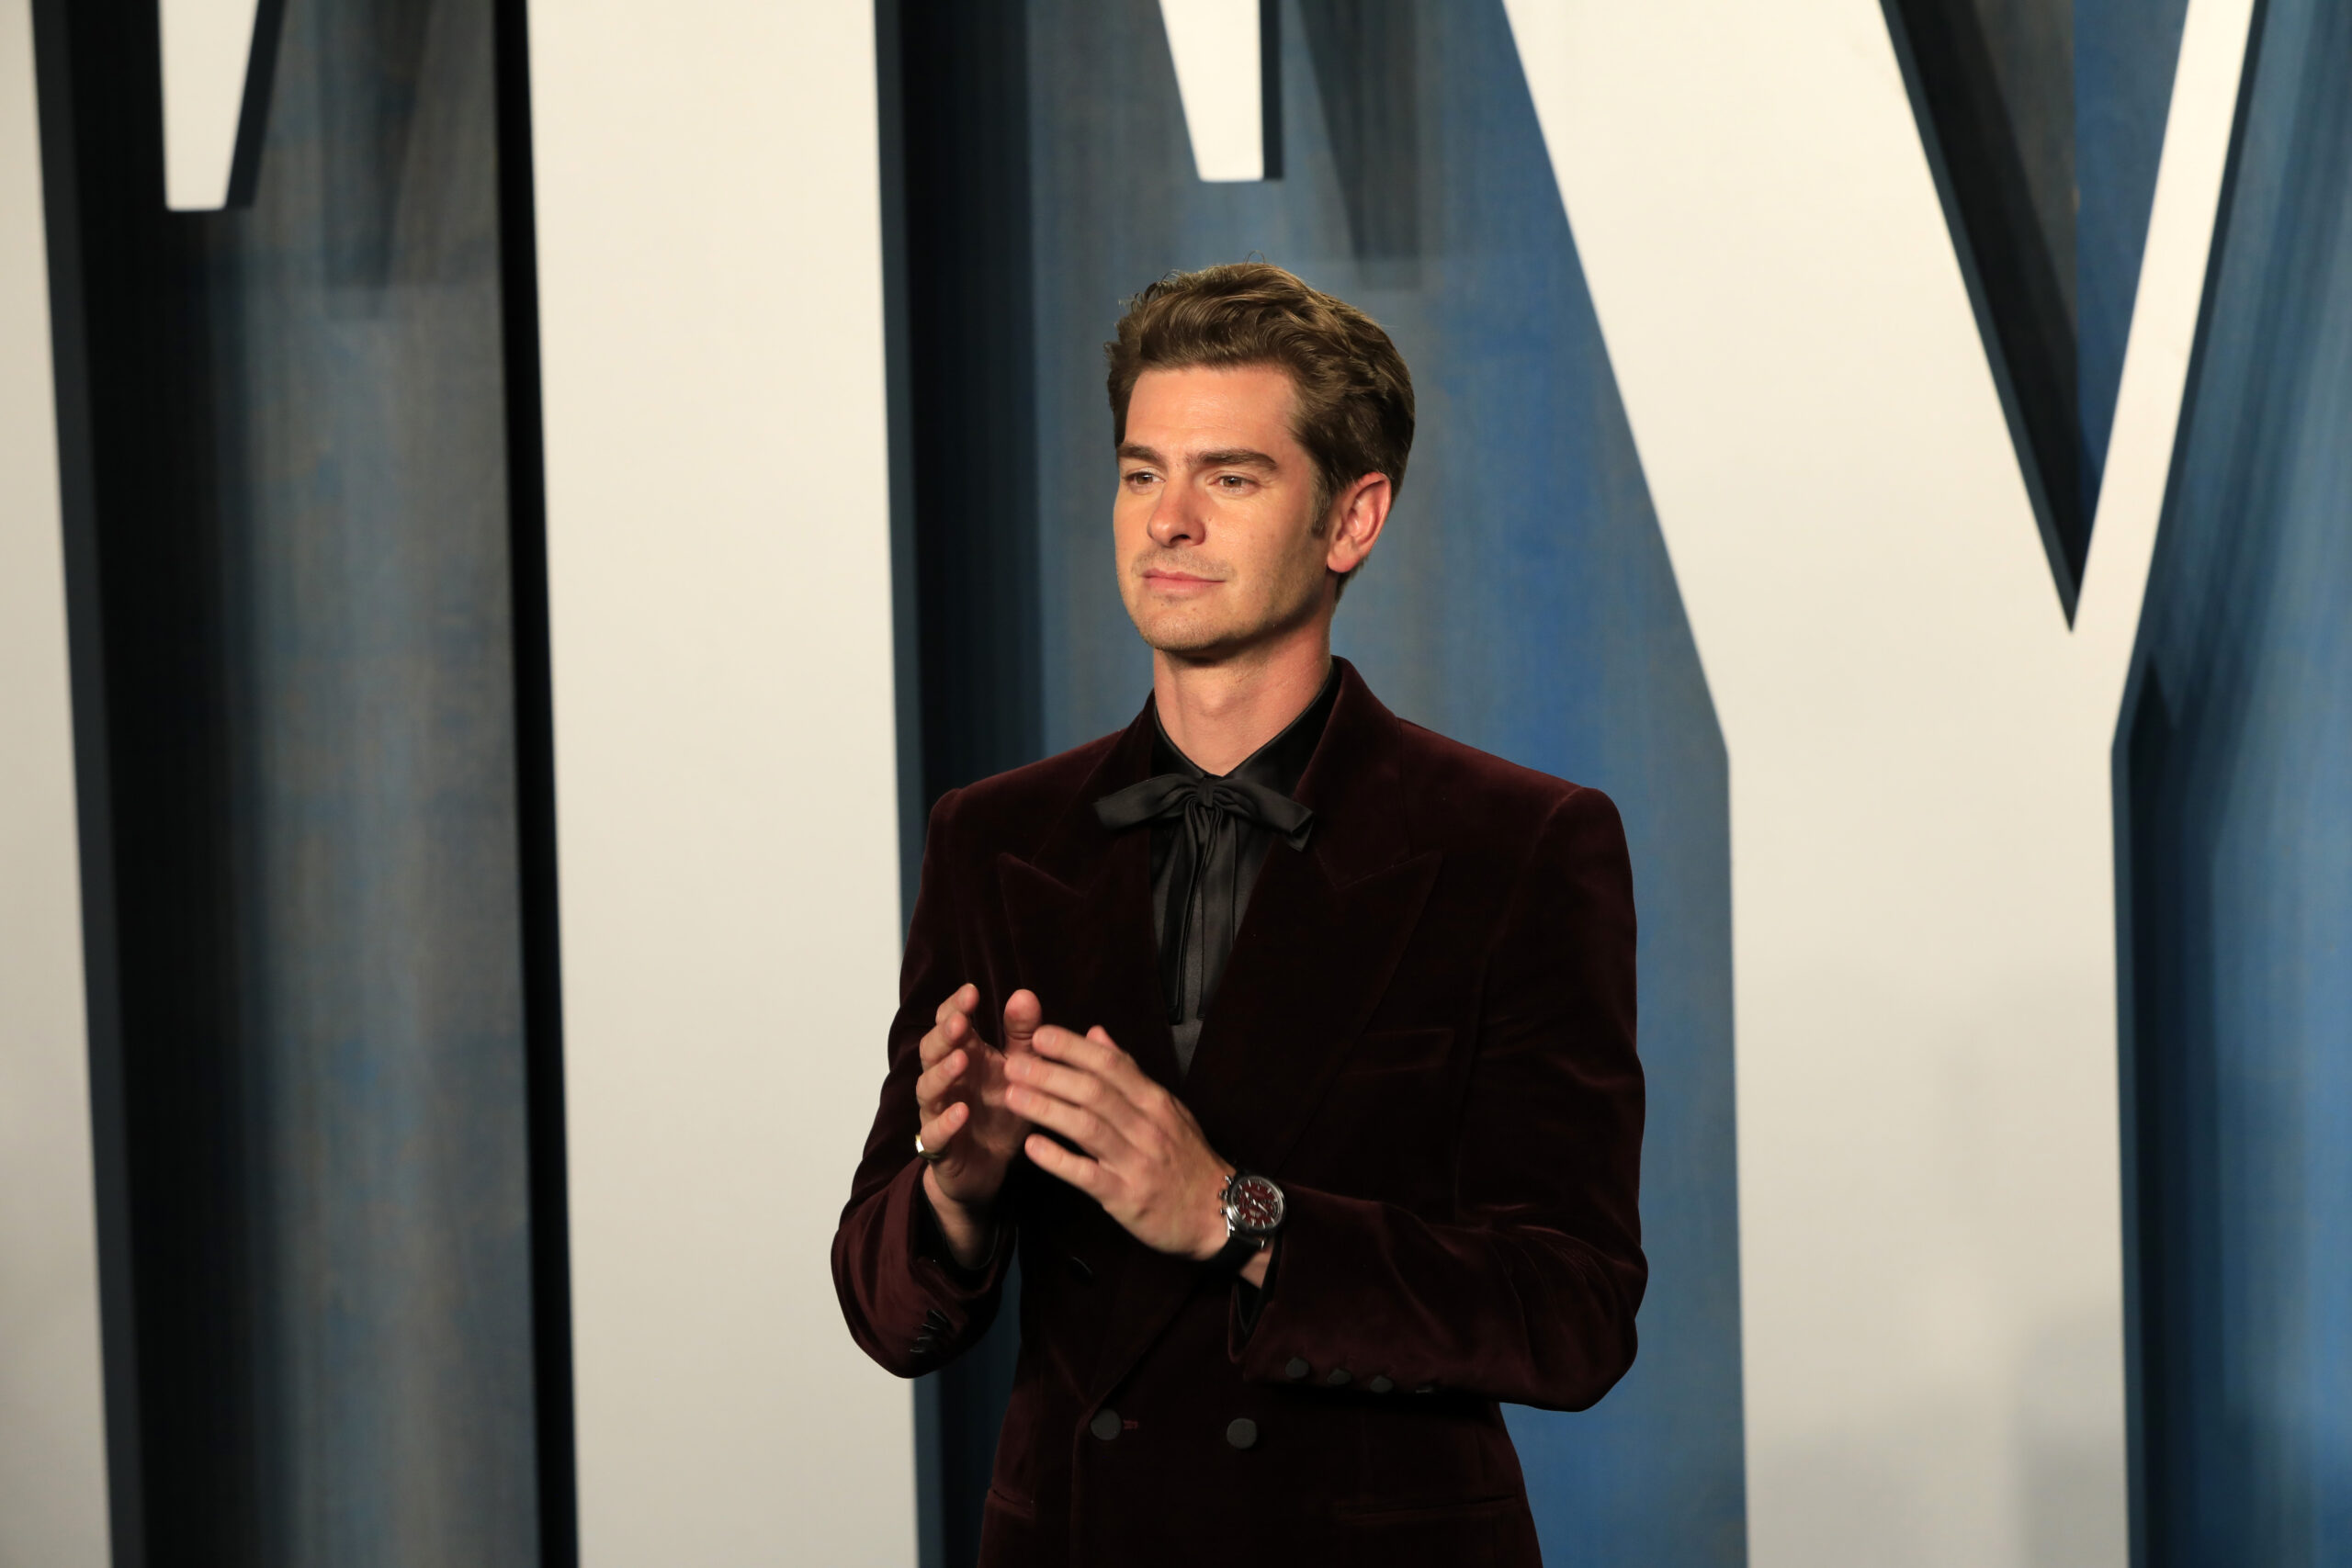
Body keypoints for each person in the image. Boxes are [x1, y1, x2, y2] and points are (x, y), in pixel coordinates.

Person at [832, 262, 1644, 1565]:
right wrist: (955, 1196)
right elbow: (886, 1312)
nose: (1169, 521)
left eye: (1232, 477)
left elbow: (1574, 1312)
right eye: (1144, 472)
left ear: (1353, 518)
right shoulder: (995, 837)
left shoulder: (1519, 846)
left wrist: (1236, 1212)